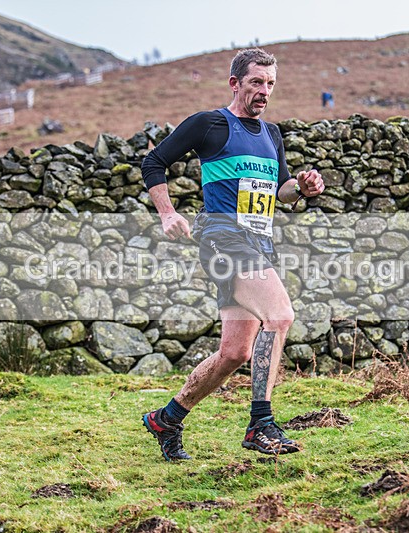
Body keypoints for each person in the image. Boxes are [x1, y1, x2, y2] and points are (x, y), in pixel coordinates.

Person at [140, 48, 324, 461]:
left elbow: (281, 191)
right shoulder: (210, 124)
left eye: (270, 84)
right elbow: (154, 162)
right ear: (235, 83)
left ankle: (166, 420)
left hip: (258, 243)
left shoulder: (271, 134)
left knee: (235, 354)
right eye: (256, 82)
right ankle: (261, 423)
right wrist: (167, 214)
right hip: (223, 238)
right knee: (280, 316)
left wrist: (303, 188)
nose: (264, 91)